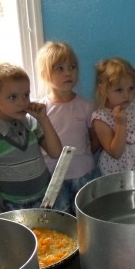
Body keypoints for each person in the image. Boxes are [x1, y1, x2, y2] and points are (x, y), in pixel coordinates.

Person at [0, 62, 63, 215]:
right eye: (13, 97)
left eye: (26, 95)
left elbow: (56, 152)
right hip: (13, 206)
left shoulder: (32, 124)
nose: (22, 102)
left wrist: (43, 119)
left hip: (45, 200)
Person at [36, 41, 100, 213]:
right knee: (59, 217)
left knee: (87, 214)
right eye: (60, 68)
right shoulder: (40, 109)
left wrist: (83, 156)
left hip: (83, 174)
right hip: (53, 178)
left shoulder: (86, 106)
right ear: (44, 74)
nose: (68, 73)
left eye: (72, 67)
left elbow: (95, 140)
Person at [91, 58, 135, 175]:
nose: (126, 95)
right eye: (119, 90)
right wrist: (120, 124)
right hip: (118, 171)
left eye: (131, 88)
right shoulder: (100, 118)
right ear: (103, 90)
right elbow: (116, 153)